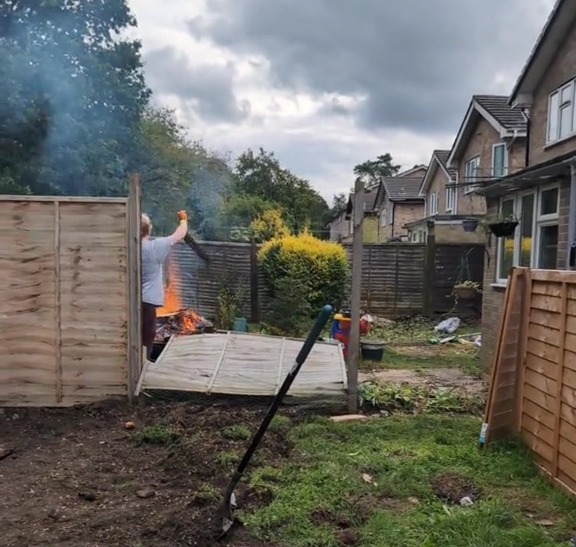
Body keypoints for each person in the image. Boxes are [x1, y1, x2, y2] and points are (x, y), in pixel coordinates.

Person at [141, 210, 188, 360]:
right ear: (149, 229)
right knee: (147, 337)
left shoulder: (126, 247)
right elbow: (179, 235)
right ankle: (143, 367)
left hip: (128, 300)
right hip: (147, 302)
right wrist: (183, 220)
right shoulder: (153, 248)